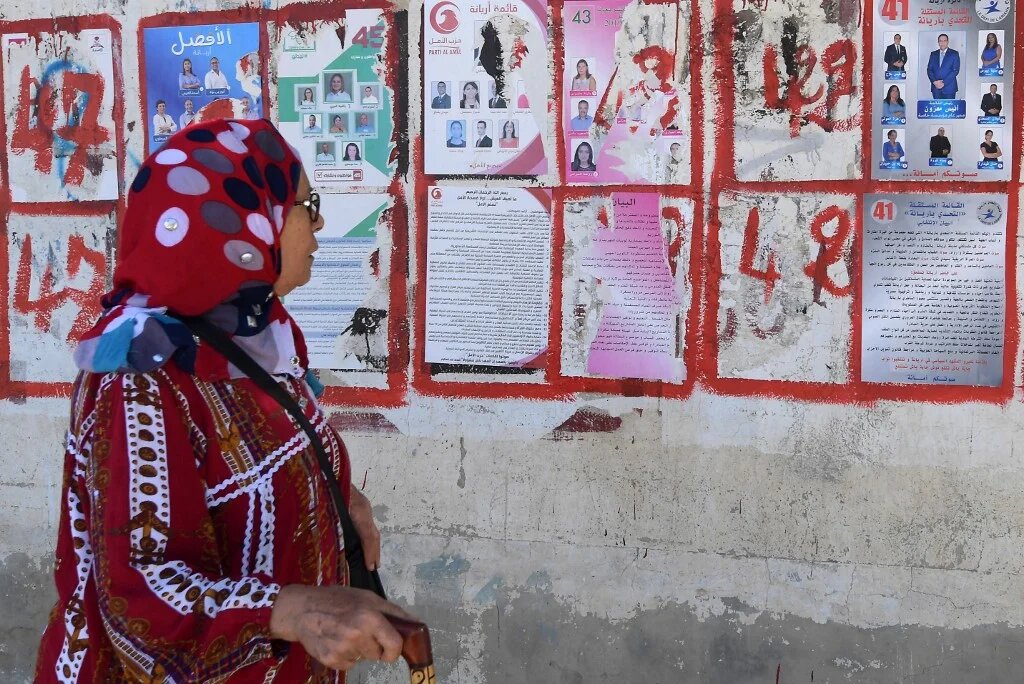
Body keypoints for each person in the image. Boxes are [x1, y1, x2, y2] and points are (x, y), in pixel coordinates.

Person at [34, 118, 416, 681]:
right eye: (306, 205)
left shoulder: (252, 334)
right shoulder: (142, 375)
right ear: (248, 219)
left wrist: (334, 494)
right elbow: (141, 594)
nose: (319, 224)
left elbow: (249, 469)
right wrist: (298, 611)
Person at [926, 33, 960, 99]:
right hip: (936, 88)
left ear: (947, 42)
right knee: (937, 107)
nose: (942, 43)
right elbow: (929, 70)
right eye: (940, 41)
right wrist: (934, 82)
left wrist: (943, 83)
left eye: (944, 41)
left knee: (949, 108)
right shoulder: (933, 54)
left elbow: (955, 70)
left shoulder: (954, 53)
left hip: (949, 88)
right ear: (938, 42)